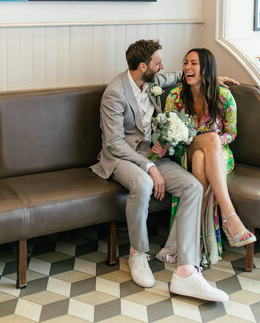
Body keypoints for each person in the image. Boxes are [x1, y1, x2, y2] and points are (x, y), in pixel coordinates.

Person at [92, 39, 235, 302]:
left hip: (154, 155)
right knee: (144, 184)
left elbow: (182, 75)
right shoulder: (115, 93)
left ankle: (186, 271)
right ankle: (137, 254)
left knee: (192, 186)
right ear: (144, 66)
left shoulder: (152, 80)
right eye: (158, 63)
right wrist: (147, 166)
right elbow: (113, 143)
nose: (163, 67)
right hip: (121, 158)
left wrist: (213, 77)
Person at [158, 47, 255, 267]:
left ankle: (194, 242)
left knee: (205, 155)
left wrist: (217, 142)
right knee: (209, 139)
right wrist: (212, 139)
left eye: (194, 63)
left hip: (218, 155)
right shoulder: (175, 97)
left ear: (206, 69)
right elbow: (171, 136)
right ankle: (231, 217)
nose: (187, 67)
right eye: (186, 63)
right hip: (187, 151)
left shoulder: (223, 96)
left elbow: (232, 132)